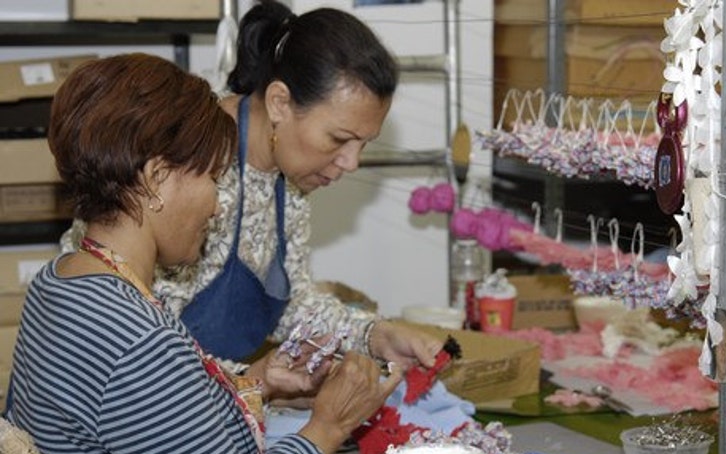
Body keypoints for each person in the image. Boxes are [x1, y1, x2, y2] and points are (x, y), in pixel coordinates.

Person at [5, 53, 401, 454]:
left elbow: (146, 421)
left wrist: (255, 383)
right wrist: (327, 427)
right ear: (156, 181)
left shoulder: (64, 280)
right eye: (212, 178)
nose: (217, 205)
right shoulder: (138, 338)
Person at [59, 0, 445, 369]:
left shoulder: (290, 180)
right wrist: (258, 385)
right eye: (339, 138)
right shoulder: (191, 162)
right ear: (279, 102)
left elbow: (288, 304)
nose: (351, 162)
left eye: (364, 144)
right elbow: (138, 341)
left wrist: (373, 336)